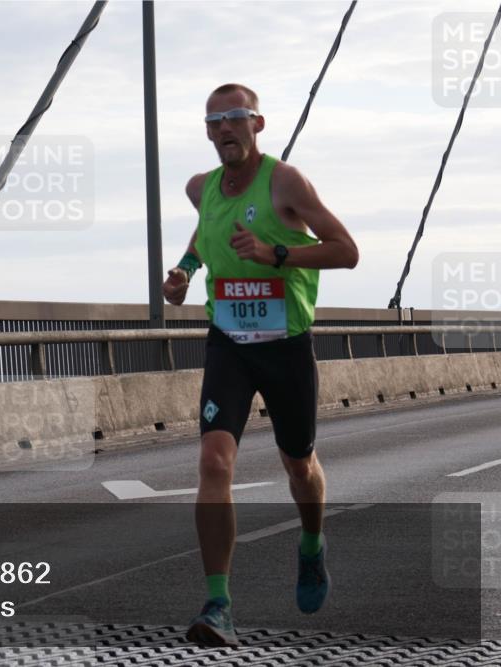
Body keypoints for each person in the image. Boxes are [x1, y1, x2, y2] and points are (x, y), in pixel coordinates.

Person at [162, 83, 359, 647]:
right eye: (214, 121)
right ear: (206, 131)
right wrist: (182, 273)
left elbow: (346, 250)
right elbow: (204, 239)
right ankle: (218, 603)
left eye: (235, 118)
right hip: (229, 342)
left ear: (258, 123)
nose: (225, 128)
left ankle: (312, 543)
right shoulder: (201, 189)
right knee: (214, 460)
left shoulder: (286, 182)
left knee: (299, 466)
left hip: (286, 345)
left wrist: (277, 255)